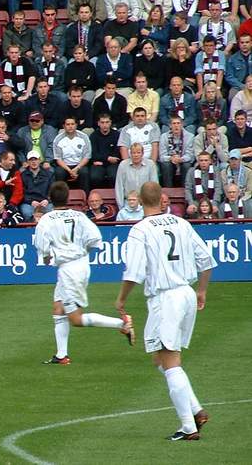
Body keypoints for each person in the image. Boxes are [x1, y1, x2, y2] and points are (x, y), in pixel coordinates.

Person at [116, 181, 216, 441]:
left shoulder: (140, 230)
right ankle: (195, 410)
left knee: (170, 362)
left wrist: (121, 301)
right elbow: (206, 259)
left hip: (165, 298)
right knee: (160, 359)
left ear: (140, 200)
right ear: (162, 199)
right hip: (185, 293)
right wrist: (202, 290)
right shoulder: (181, 222)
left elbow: (134, 272)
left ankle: (188, 427)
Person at [37, 181, 134, 365]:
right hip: (79, 264)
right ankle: (61, 355)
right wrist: (82, 252)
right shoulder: (79, 216)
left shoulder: (46, 220)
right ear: (68, 198)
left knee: (76, 319)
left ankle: (122, 324)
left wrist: (48, 257)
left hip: (69, 270)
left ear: (50, 199)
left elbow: (43, 249)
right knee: (58, 309)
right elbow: (96, 238)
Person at [115, 143, 159, 209]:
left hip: (146, 202)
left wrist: (152, 205)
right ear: (130, 154)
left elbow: (154, 186)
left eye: (138, 153)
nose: (136, 155)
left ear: (142, 153)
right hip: (128, 202)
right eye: (133, 153)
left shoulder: (150, 164)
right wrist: (121, 207)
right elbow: (119, 187)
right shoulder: (123, 165)